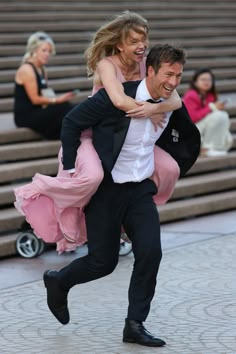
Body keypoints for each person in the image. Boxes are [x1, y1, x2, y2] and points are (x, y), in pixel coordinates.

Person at [43, 44, 201, 347]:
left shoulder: (169, 104)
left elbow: (188, 136)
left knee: (151, 252)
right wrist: (72, 166)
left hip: (140, 189)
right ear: (151, 70)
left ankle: (135, 324)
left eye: (179, 76)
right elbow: (71, 122)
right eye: (169, 74)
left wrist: (178, 164)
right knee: (103, 262)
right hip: (107, 190)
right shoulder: (115, 97)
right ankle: (58, 280)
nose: (173, 82)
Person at [14, 12, 182, 255]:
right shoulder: (107, 65)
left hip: (123, 136)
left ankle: (128, 217)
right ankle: (52, 198)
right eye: (134, 41)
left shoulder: (147, 64)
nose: (141, 45)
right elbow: (118, 99)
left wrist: (155, 108)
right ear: (119, 44)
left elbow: (175, 97)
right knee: (93, 176)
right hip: (91, 135)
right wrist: (148, 110)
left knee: (169, 169)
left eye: (143, 39)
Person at [13, 31, 76, 139]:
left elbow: (44, 93)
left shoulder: (42, 69)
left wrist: (58, 100)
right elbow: (35, 99)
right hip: (26, 115)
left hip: (38, 110)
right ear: (34, 50)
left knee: (68, 107)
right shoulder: (27, 70)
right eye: (44, 50)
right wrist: (57, 100)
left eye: (49, 51)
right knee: (63, 107)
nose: (47, 54)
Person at [183, 68, 233, 157]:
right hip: (190, 129)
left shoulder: (210, 95)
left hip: (202, 127)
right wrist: (212, 107)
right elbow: (192, 118)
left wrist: (217, 108)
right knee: (219, 116)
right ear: (195, 82)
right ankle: (208, 148)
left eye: (209, 80)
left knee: (223, 119)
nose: (206, 82)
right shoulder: (191, 95)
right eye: (203, 79)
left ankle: (214, 147)